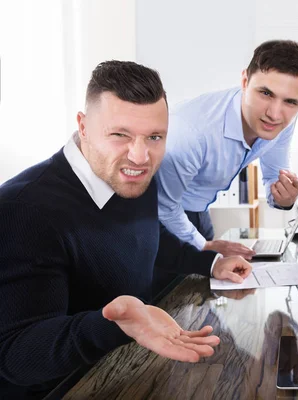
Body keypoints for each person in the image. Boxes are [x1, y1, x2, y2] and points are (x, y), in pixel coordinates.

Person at [0, 60, 252, 399]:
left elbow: (149, 238)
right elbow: (17, 355)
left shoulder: (135, 177)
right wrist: (113, 326)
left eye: (154, 137)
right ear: (83, 126)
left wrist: (208, 263)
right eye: (120, 135)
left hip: (131, 366)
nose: (139, 155)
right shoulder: (23, 209)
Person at [156, 39, 298, 260]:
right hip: (159, 219)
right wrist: (205, 246)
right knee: (172, 293)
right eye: (266, 93)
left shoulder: (283, 121)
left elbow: (273, 176)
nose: (275, 114)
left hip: (200, 211)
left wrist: (283, 199)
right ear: (244, 81)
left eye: (290, 101)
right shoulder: (191, 133)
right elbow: (164, 206)